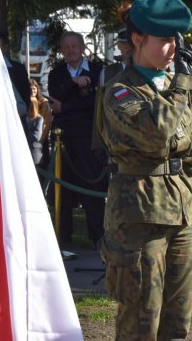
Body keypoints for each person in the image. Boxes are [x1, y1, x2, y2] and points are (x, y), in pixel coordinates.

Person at [95, 0, 192, 340]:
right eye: (166, 41)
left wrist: (191, 198)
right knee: (142, 322)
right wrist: (184, 85)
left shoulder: (171, 86)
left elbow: (188, 149)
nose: (174, 50)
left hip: (181, 215)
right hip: (140, 218)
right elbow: (157, 135)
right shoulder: (120, 91)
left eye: (177, 41)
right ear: (137, 39)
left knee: (177, 324)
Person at [48, 31, 106, 246]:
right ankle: (63, 237)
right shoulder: (56, 74)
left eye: (74, 46)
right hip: (63, 137)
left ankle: (97, 236)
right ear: (62, 50)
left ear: (83, 48)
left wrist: (67, 107)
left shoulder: (98, 71)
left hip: (88, 137)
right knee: (62, 188)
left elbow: (95, 103)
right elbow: (56, 98)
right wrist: (74, 85)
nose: (71, 50)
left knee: (92, 188)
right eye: (66, 47)